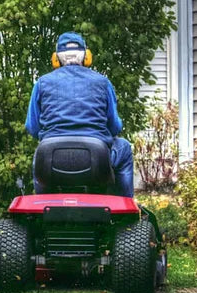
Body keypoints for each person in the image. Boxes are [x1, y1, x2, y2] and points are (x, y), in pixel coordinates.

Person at [25, 31, 134, 197]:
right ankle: (128, 208)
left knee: (38, 154)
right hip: (97, 159)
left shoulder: (42, 83)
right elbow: (114, 127)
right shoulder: (102, 82)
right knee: (124, 147)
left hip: (51, 159)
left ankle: (42, 206)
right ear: (86, 57)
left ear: (56, 59)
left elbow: (32, 127)